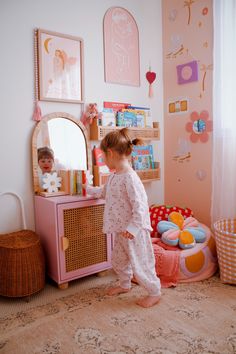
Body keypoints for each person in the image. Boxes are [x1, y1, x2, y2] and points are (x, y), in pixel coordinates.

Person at [85, 128, 161, 308]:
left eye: (103, 156)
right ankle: (124, 284)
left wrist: (133, 228)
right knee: (118, 260)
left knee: (141, 264)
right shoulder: (113, 177)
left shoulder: (130, 178)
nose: (102, 160)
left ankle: (154, 291)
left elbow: (140, 207)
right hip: (120, 230)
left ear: (110, 153)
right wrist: (87, 189)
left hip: (134, 232)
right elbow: (104, 192)